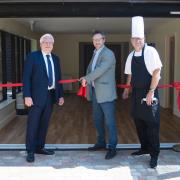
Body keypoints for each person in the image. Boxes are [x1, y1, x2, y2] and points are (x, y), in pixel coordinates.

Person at [122, 16, 162, 168]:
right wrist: (127, 90)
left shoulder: (150, 51)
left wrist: (151, 91)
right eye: (135, 38)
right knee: (139, 123)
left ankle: (154, 155)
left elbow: (156, 72)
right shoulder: (131, 55)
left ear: (144, 38)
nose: (138, 41)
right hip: (137, 94)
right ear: (131, 40)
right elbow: (130, 74)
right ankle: (144, 148)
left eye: (140, 38)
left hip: (149, 93)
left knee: (152, 125)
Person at [23, 34, 64, 163]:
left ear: (53, 44)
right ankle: (30, 150)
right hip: (35, 97)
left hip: (50, 96)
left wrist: (60, 95)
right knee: (33, 124)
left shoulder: (56, 59)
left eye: (50, 42)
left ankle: (40, 147)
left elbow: (58, 79)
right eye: (45, 42)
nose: (48, 44)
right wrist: (27, 96)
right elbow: (26, 78)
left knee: (44, 124)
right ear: (40, 44)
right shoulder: (33, 57)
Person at [80, 31, 118, 160]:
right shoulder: (95, 52)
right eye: (94, 40)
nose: (96, 42)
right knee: (97, 119)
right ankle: (101, 142)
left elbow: (100, 70)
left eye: (98, 39)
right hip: (96, 92)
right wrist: (85, 77)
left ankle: (112, 147)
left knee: (110, 122)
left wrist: (86, 78)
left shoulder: (108, 54)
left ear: (104, 40)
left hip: (106, 94)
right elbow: (91, 69)